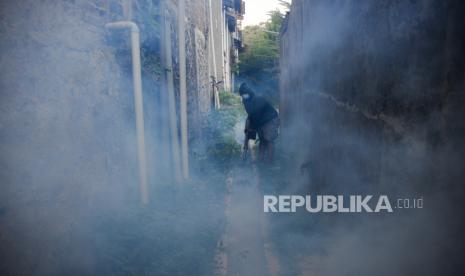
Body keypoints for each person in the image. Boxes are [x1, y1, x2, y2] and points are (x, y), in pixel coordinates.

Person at [239, 83, 279, 162]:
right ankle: (261, 160)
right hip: (261, 121)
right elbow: (250, 115)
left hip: (270, 119)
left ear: (249, 92)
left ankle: (270, 162)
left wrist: (251, 128)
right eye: (242, 94)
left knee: (268, 140)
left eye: (244, 94)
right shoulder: (246, 101)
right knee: (262, 140)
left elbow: (256, 114)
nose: (243, 96)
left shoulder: (257, 99)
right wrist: (248, 128)